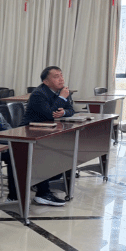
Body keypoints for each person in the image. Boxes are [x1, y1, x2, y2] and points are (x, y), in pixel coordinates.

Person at [20, 66, 75, 207]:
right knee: (45, 152)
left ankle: (43, 180)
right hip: (30, 132)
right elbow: (49, 114)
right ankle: (42, 193)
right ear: (45, 81)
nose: (61, 79)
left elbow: (71, 110)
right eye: (56, 76)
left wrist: (63, 113)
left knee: (67, 149)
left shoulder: (62, 91)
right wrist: (62, 98)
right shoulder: (39, 94)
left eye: (61, 75)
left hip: (49, 130)